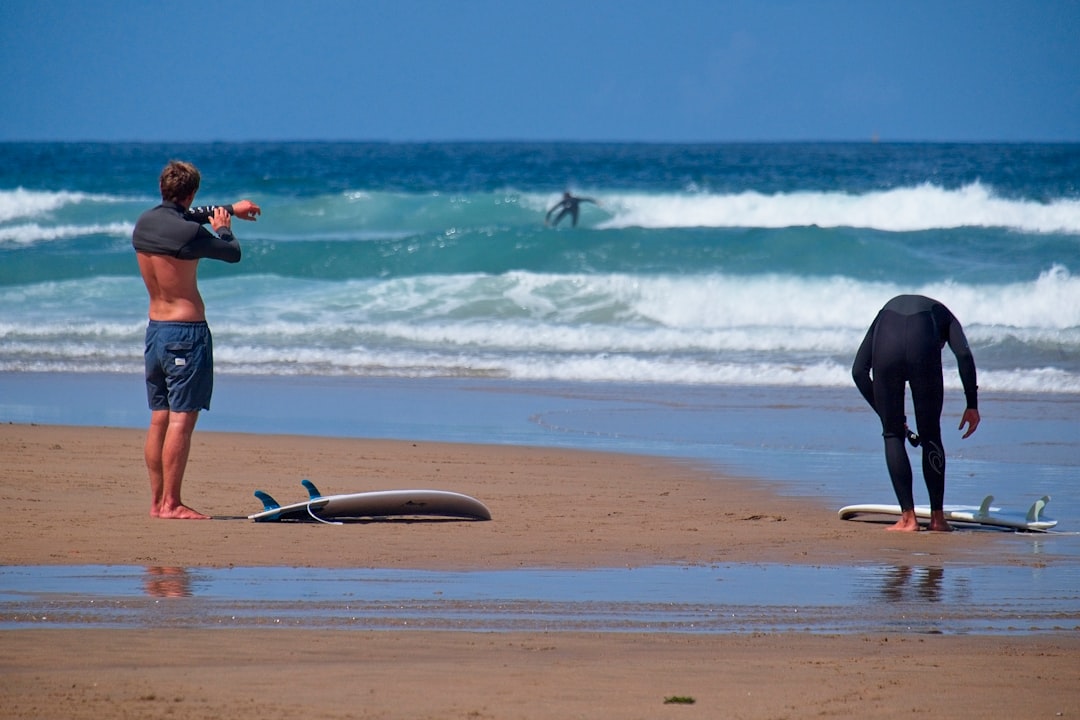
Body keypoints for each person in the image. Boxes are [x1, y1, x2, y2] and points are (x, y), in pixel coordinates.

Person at [132, 160, 261, 519]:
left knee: (159, 418)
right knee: (179, 421)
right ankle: (172, 503)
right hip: (185, 335)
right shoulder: (189, 234)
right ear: (191, 194)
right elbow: (231, 253)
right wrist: (224, 228)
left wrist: (231, 208)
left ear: (163, 188)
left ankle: (158, 503)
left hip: (155, 333)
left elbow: (183, 217)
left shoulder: (144, 223)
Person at [851, 294, 980, 532]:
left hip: (887, 346)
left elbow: (859, 371)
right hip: (923, 346)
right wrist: (972, 404)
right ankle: (938, 520)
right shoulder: (945, 316)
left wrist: (888, 416)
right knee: (931, 434)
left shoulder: (884, 312)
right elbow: (963, 355)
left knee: (892, 435)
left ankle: (908, 519)